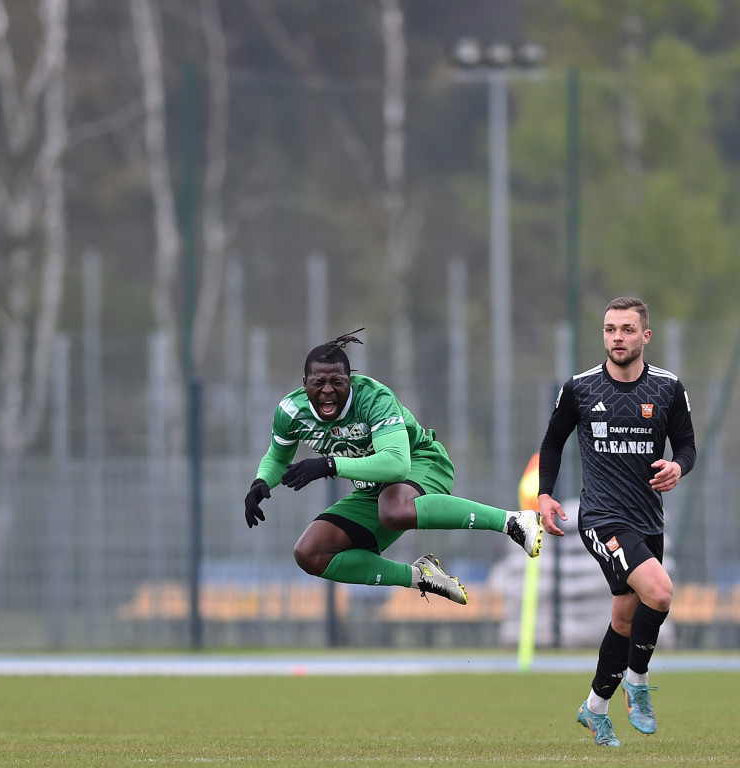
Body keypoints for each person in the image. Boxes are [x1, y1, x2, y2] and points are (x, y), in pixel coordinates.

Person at [244, 329, 543, 606]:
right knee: (309, 553)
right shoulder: (290, 411)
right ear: (304, 383)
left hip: (421, 463)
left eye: (337, 382)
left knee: (394, 509)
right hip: (373, 488)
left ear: (351, 380)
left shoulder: (374, 398)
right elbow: (278, 456)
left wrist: (329, 464)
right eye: (318, 382)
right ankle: (419, 576)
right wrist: (261, 482)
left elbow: (396, 465)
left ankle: (513, 521)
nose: (327, 391)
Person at [537, 297, 697, 747]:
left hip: (647, 520)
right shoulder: (581, 387)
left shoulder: (667, 387)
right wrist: (545, 494)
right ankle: (638, 682)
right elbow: (553, 444)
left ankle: (593, 710)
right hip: (602, 517)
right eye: (610, 329)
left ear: (645, 336)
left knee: (625, 620)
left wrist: (678, 467)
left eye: (627, 329)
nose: (617, 338)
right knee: (661, 592)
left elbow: (686, 446)